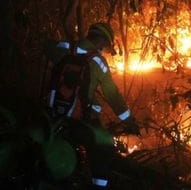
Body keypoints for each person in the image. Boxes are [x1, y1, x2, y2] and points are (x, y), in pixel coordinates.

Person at [44, 22, 140, 189]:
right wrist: (129, 121)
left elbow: (47, 48)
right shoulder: (97, 61)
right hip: (81, 120)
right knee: (104, 149)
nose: (105, 49)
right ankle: (99, 185)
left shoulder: (65, 48)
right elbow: (112, 95)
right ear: (102, 40)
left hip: (53, 115)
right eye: (106, 45)